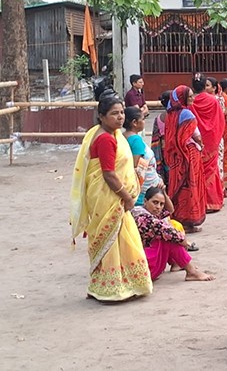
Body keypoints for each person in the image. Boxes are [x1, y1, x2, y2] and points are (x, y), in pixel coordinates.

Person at [69, 96, 153, 302]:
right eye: (114, 113)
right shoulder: (106, 138)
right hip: (109, 196)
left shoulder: (110, 134)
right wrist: (127, 197)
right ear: (101, 116)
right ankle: (112, 288)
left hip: (106, 196)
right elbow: (109, 174)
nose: (120, 117)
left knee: (119, 239)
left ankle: (106, 285)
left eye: (122, 112)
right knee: (116, 240)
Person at [131, 188, 214, 282]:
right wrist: (185, 242)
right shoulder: (143, 217)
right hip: (143, 268)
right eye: (155, 202)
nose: (158, 207)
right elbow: (171, 234)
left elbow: (170, 210)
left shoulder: (145, 211)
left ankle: (179, 264)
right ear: (145, 201)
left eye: (161, 204)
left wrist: (164, 193)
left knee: (172, 230)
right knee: (169, 238)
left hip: (143, 262)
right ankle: (191, 271)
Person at [164, 85, 207, 231]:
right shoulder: (187, 114)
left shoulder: (169, 114)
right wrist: (200, 144)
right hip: (189, 154)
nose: (193, 99)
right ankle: (189, 221)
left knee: (179, 186)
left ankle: (178, 219)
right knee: (190, 185)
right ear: (182, 99)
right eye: (189, 97)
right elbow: (197, 136)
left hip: (176, 156)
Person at [190, 74, 225, 213]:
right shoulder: (213, 101)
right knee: (212, 169)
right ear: (205, 86)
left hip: (197, 141)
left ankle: (201, 202)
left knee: (199, 171)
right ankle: (213, 201)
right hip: (212, 141)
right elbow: (220, 120)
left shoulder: (191, 102)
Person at [123, 106, 163, 205]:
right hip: (143, 190)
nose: (144, 122)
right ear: (135, 123)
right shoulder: (136, 140)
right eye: (143, 119)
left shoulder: (123, 136)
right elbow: (137, 168)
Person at [151, 91, 171, 188]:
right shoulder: (176, 116)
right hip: (174, 150)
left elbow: (155, 139)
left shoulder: (159, 118)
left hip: (163, 150)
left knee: (167, 171)